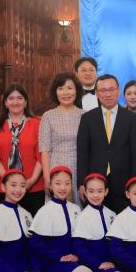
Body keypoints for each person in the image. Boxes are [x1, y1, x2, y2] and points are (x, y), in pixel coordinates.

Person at [77, 74, 136, 212]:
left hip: (124, 183)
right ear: (96, 93)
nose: (108, 94)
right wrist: (81, 182)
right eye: (103, 90)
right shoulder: (87, 118)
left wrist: (135, 182)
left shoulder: (131, 118)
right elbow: (82, 153)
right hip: (95, 184)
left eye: (111, 89)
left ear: (118, 91)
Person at [28, 166, 92, 272]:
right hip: (52, 262)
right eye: (58, 183)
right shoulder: (45, 211)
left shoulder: (75, 208)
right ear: (50, 185)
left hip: (74, 261)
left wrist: (75, 255)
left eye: (67, 183)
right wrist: (59, 256)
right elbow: (36, 244)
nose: (63, 188)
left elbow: (80, 239)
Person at [0, 84, 44, 215]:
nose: (15, 102)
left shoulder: (37, 123)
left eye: (20, 98)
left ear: (25, 102)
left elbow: (42, 156)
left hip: (33, 186)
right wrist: (8, 179)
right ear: (5, 103)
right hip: (5, 186)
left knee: (32, 228)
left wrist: (31, 181)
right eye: (11, 98)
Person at [73, 173, 128, 272]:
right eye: (91, 191)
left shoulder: (112, 214)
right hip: (94, 265)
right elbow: (79, 248)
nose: (95, 195)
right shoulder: (83, 217)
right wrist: (98, 264)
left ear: (106, 192)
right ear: (85, 192)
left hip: (113, 263)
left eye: (99, 191)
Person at [39, 72, 83, 204]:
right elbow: (45, 151)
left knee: (77, 210)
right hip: (55, 168)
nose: (65, 93)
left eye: (70, 88)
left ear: (77, 91)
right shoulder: (47, 116)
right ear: (55, 92)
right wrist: (47, 178)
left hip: (77, 168)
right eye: (61, 88)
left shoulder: (85, 115)